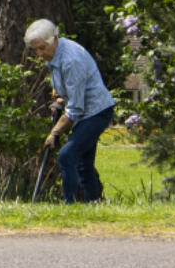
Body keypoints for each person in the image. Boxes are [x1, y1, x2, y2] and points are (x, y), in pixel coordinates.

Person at [24, 19, 116, 203]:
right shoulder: (54, 53)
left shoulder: (71, 60)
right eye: (35, 50)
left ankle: (70, 205)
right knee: (84, 164)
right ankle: (93, 204)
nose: (39, 54)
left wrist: (55, 132)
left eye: (42, 48)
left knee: (66, 156)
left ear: (54, 39)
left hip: (96, 112)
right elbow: (60, 81)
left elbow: (75, 108)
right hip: (85, 112)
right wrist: (57, 94)